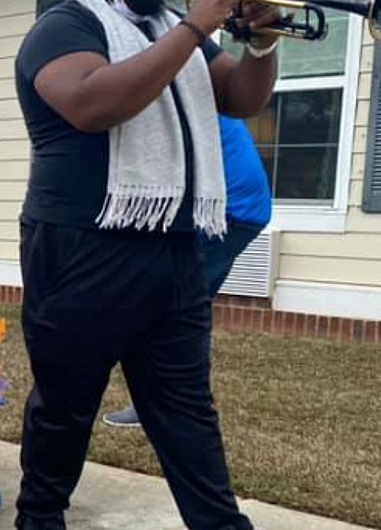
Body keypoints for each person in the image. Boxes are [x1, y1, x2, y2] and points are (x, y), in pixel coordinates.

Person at [11, 0, 327, 530]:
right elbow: (94, 103)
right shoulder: (61, 29)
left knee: (184, 407)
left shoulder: (171, 28)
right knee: (67, 404)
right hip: (81, 248)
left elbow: (240, 99)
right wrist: (195, 27)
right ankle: (38, 529)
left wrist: (259, 42)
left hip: (174, 244)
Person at [104, 113, 273, 428]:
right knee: (192, 308)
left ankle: (161, 404)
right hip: (245, 210)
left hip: (222, 209)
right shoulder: (201, 92)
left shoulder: (172, 98)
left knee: (158, 308)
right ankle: (181, 400)